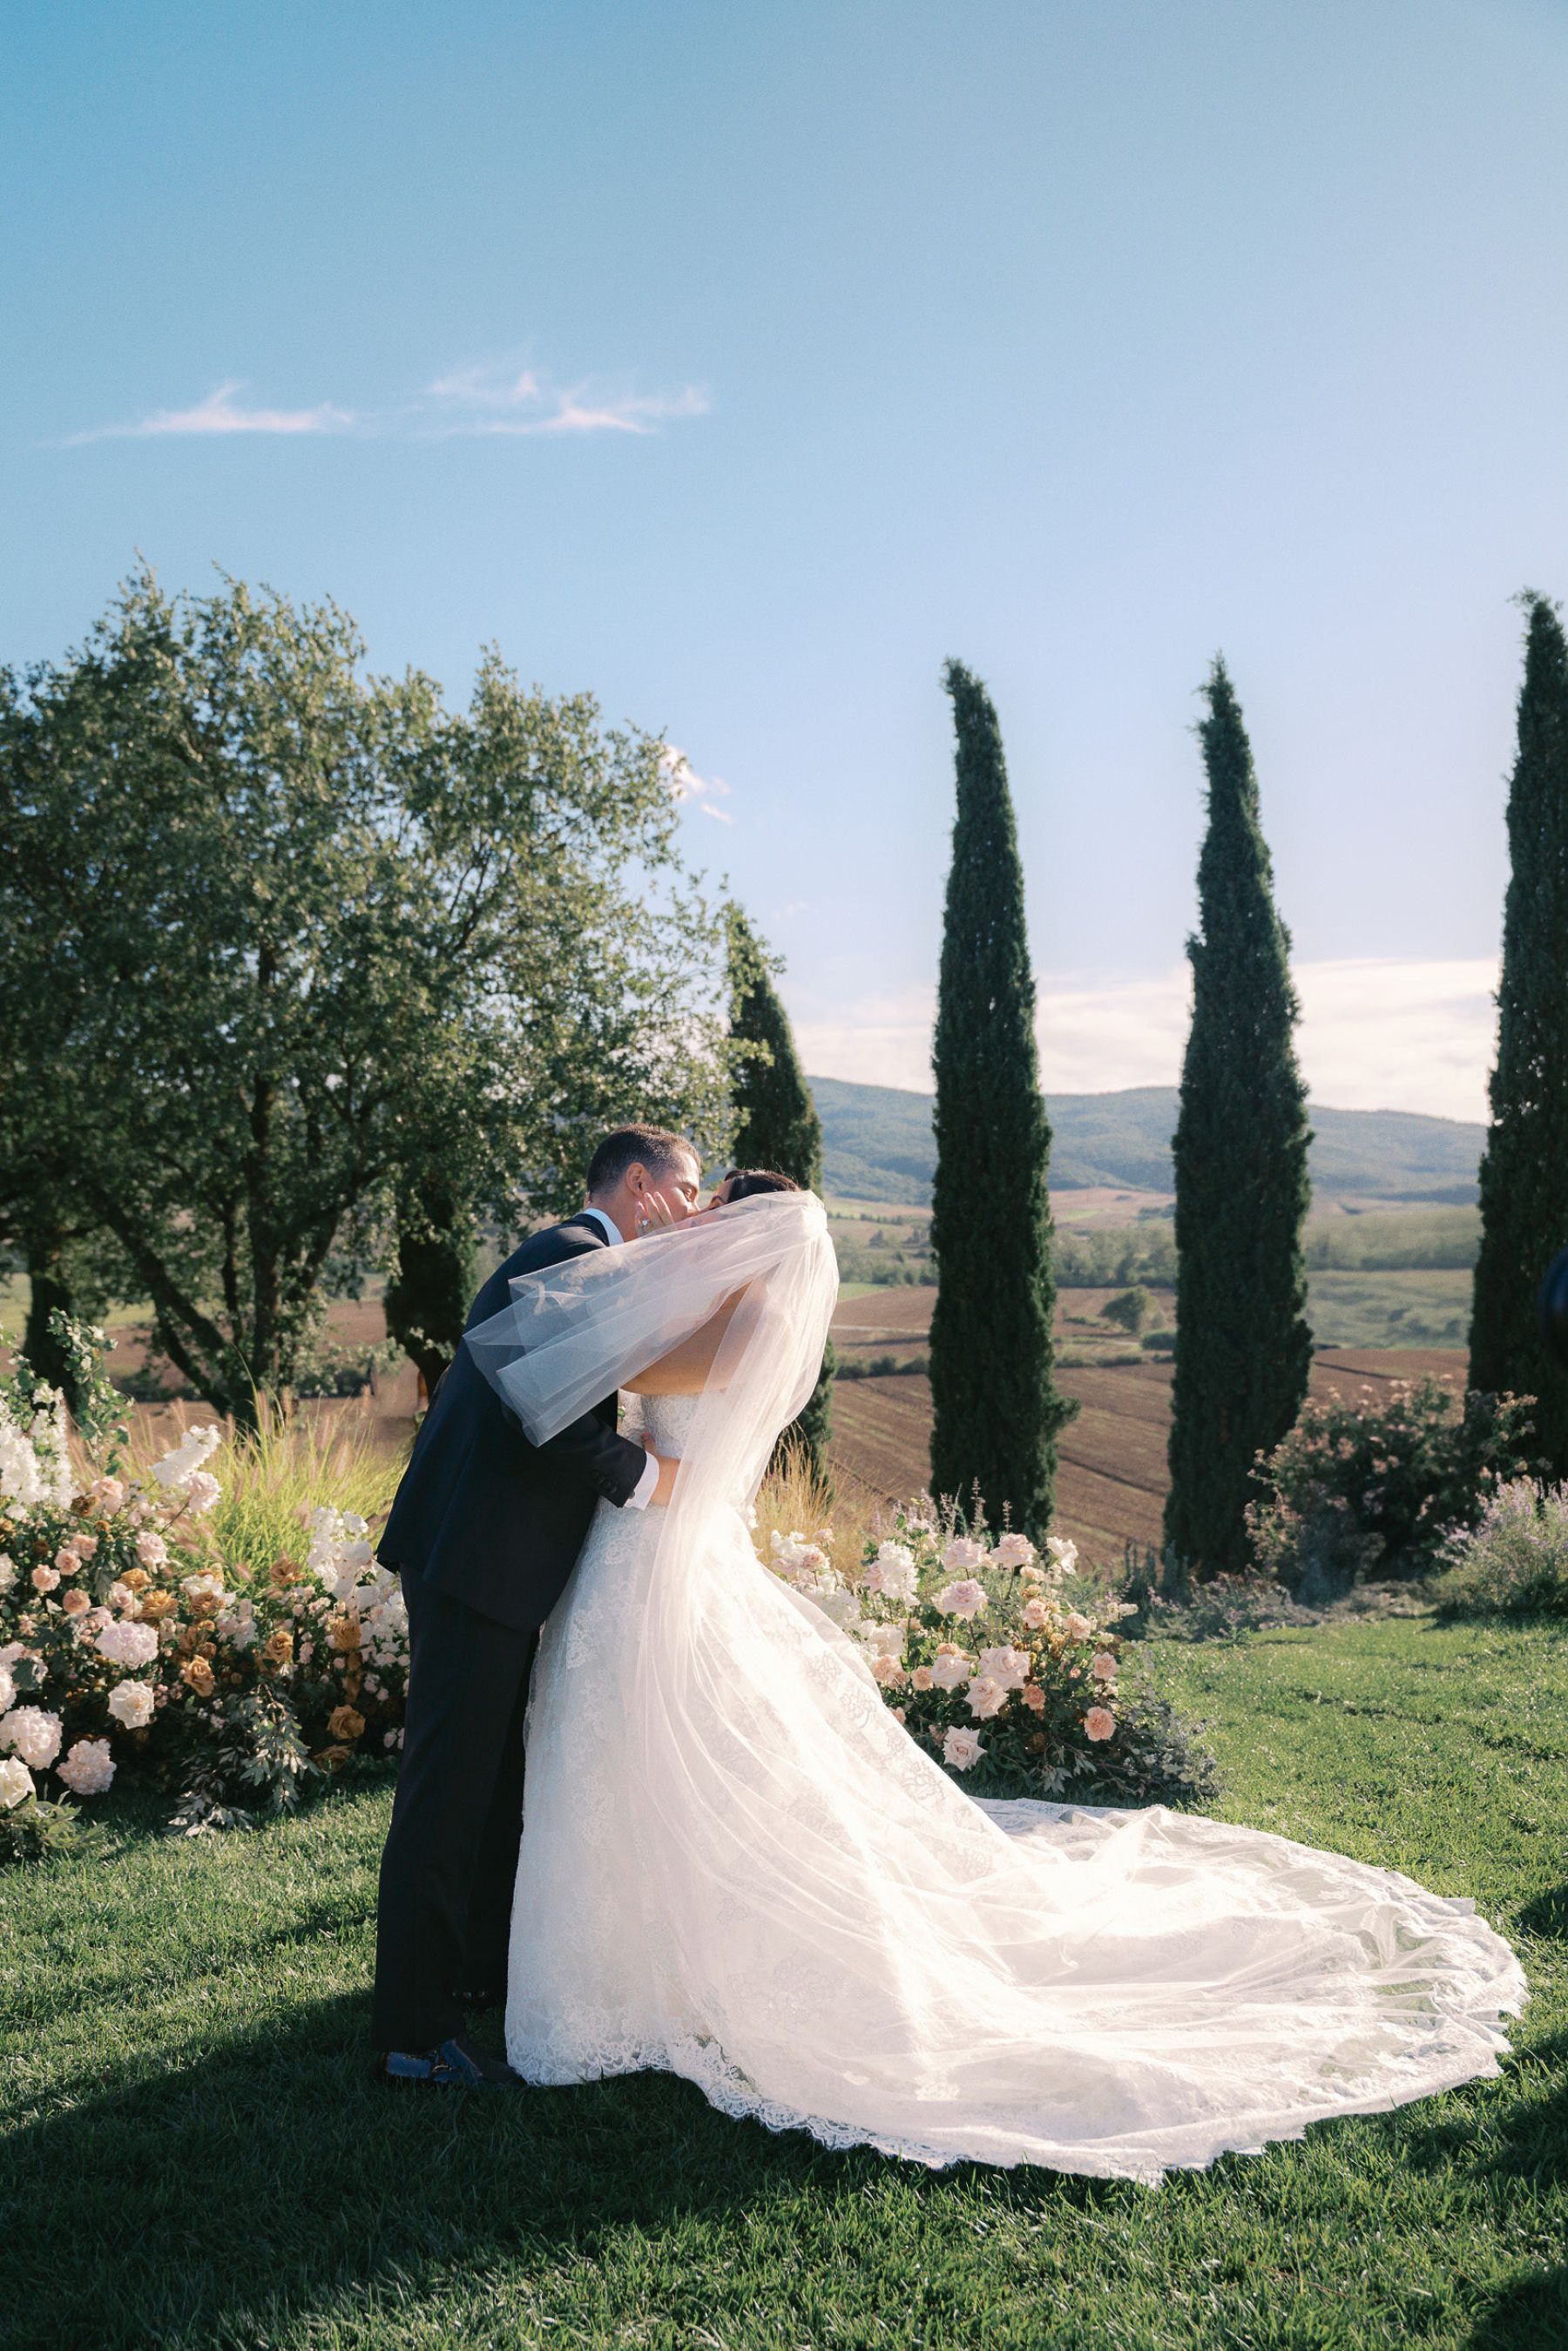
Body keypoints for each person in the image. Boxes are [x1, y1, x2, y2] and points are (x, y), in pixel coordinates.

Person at [467, 1179, 1526, 2179]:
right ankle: (624, 1963)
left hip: (660, 1563)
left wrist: (604, 1282)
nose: (692, 1221)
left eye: (711, 1215)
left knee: (666, 1748)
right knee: (634, 1754)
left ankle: (647, 1977)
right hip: (643, 1556)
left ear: (749, 1236)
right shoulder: (727, 1311)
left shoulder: (726, 1326)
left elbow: (611, 1368)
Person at [371, 1123, 701, 2084]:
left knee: (491, 1781)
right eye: (685, 1191)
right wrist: (639, 1475)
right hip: (475, 1559)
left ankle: (472, 1973)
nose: (689, 1212)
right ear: (640, 1185)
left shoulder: (577, 1253)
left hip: (484, 1557)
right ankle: (411, 2033)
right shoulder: (575, 1253)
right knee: (445, 1793)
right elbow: (534, 1399)